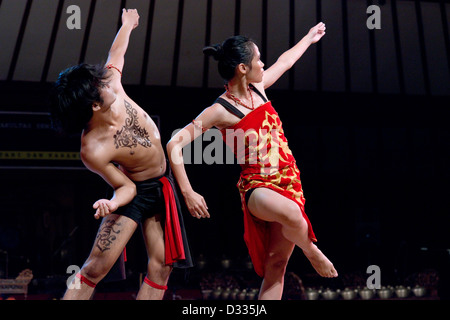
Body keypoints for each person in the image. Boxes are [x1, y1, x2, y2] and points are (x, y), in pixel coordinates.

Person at [167, 22, 337, 300]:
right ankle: (312, 251)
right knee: (294, 217)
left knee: (277, 266)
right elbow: (174, 143)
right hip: (258, 188)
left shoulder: (259, 88)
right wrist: (187, 192)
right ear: (242, 68)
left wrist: (308, 38)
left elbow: (286, 61)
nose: (263, 63)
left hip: (289, 182)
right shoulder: (219, 109)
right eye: (258, 59)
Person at [51, 9, 192, 300]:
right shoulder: (92, 149)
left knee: (162, 266)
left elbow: (117, 52)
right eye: (98, 85)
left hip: (161, 185)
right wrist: (112, 202)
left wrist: (127, 25)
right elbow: (125, 186)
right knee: (94, 268)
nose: (106, 79)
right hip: (133, 190)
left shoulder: (111, 84)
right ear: (92, 106)